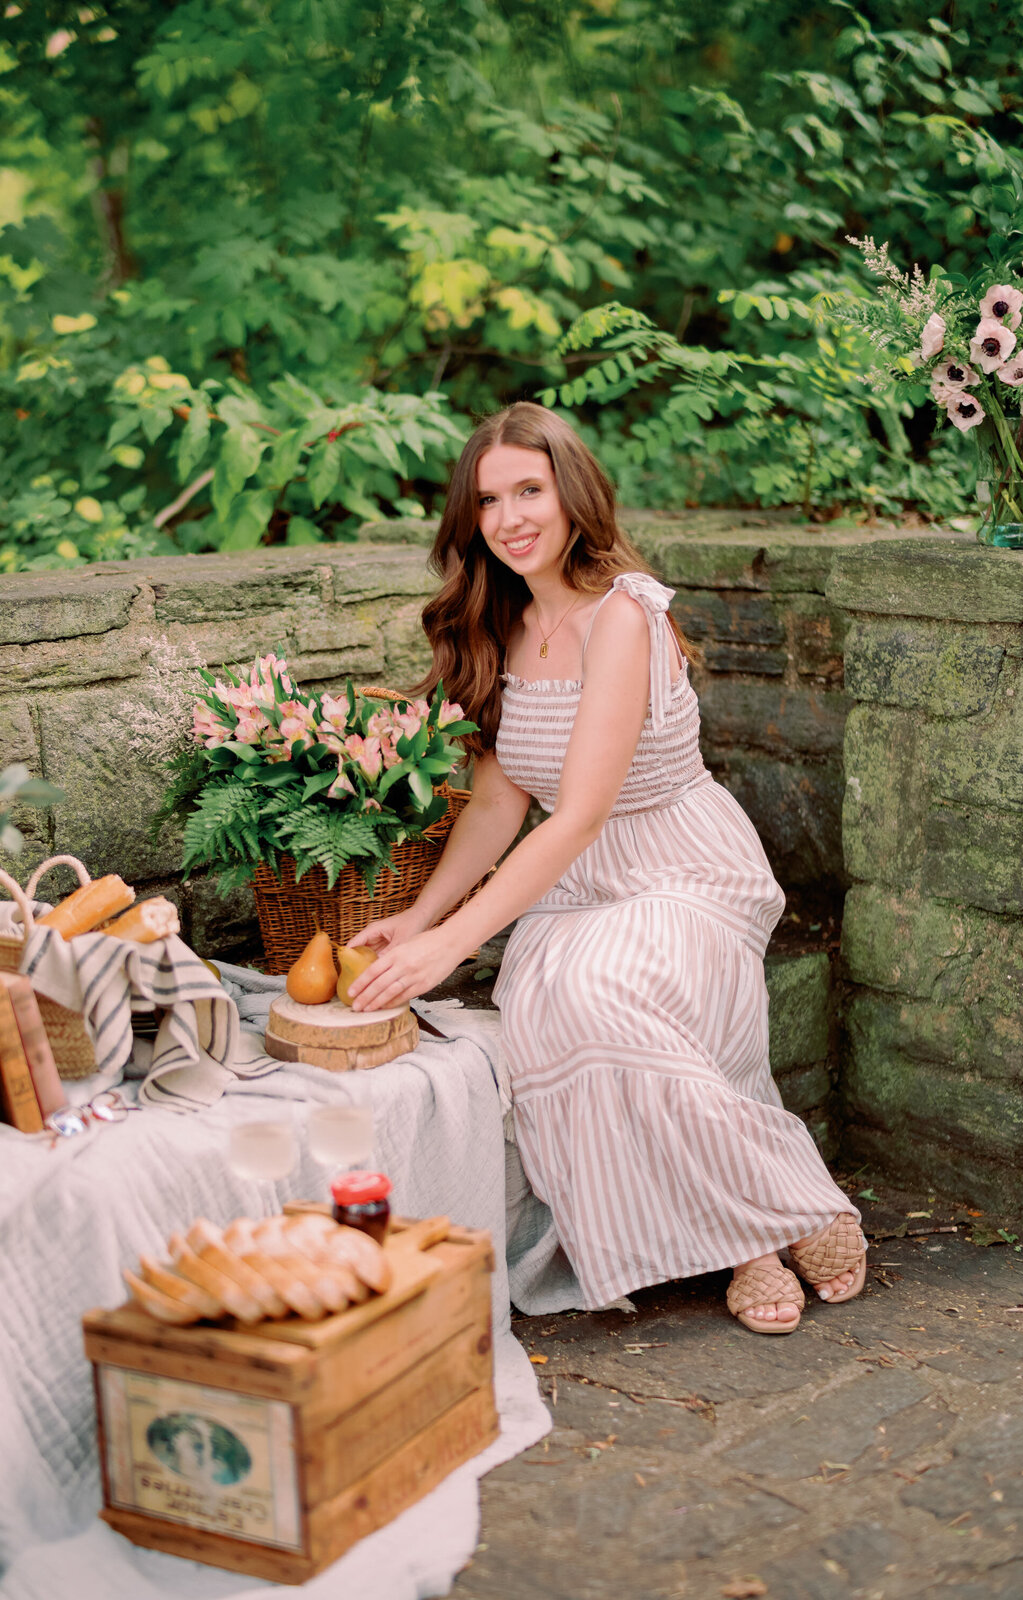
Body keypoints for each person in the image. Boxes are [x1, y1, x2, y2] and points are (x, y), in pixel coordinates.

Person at [348, 402, 864, 1335]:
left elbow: (581, 811)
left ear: (572, 492)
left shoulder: (625, 615)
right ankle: (755, 1233)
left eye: (529, 491)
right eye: (488, 500)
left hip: (681, 866)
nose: (509, 518)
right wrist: (420, 921)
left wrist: (456, 943)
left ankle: (781, 1212)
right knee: (555, 1008)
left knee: (604, 990)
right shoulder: (497, 627)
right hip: (575, 887)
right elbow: (501, 806)